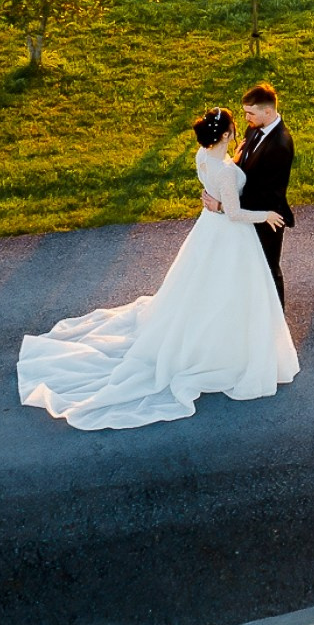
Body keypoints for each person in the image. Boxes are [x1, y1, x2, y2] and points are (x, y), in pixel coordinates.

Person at [15, 108, 298, 429]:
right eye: (233, 127)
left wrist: (224, 180)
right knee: (229, 291)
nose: (237, 130)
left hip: (207, 232)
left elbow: (216, 191)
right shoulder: (224, 172)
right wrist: (265, 215)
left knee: (203, 289)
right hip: (230, 235)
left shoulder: (202, 157)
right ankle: (228, 348)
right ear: (225, 134)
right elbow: (233, 213)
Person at [221, 83, 294, 304]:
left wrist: (226, 205)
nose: (246, 118)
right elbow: (245, 168)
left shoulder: (280, 145)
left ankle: (276, 320)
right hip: (249, 212)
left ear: (268, 112)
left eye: (250, 113)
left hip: (267, 217)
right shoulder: (254, 128)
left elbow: (265, 193)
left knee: (268, 269)